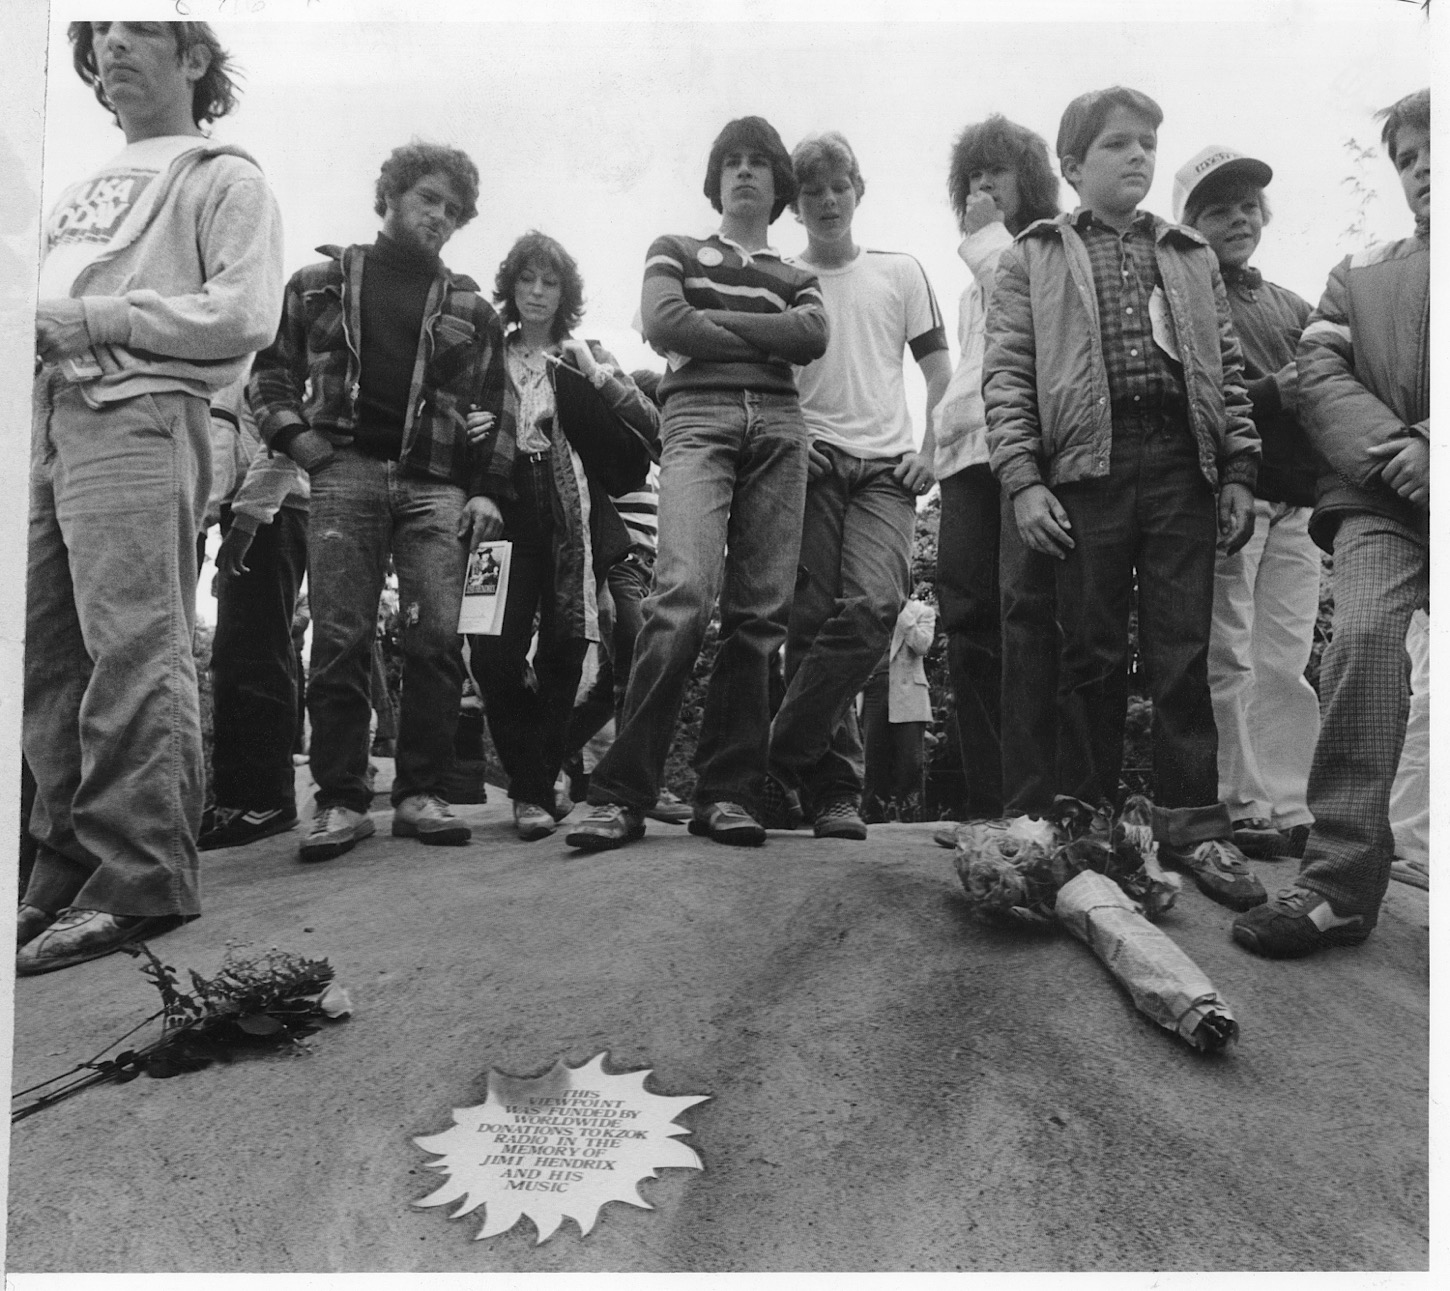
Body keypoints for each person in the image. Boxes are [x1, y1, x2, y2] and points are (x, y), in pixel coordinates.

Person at [18, 20, 283, 976]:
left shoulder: (224, 176)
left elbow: (245, 315)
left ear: (194, 58)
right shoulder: (77, 191)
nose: (113, 47)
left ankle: (141, 875)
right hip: (46, 417)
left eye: (139, 31)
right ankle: (60, 869)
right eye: (100, 37)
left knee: (135, 638)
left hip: (134, 408)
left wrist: (90, 317)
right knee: (45, 655)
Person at [984, 86, 1265, 913]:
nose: (1138, 156)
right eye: (1117, 144)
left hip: (1180, 466)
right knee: (1091, 654)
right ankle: (1086, 822)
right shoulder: (1031, 257)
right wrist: (1026, 481)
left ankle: (1191, 825)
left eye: (1147, 142)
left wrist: (1239, 469)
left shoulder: (1188, 254)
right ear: (1072, 166)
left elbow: (1228, 372)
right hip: (1086, 474)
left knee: (1182, 655)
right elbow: (1007, 378)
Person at [566, 115, 828, 850]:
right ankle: (620, 791)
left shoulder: (799, 274)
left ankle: (729, 790)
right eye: (731, 161)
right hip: (698, 418)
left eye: (759, 163)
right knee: (681, 594)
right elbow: (661, 318)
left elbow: (813, 337)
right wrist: (752, 334)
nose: (745, 172)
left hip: (780, 425)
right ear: (714, 178)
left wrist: (706, 323)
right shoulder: (674, 248)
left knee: (760, 615)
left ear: (779, 185)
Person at [250, 141, 506, 863]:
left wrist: (485, 486)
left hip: (435, 483)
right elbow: (269, 375)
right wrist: (301, 443)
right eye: (429, 199)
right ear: (390, 195)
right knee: (338, 636)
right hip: (346, 473)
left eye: (454, 211)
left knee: (435, 635)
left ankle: (421, 792)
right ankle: (340, 799)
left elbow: (497, 406)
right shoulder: (315, 283)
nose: (441, 218)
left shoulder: (472, 308)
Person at [1232, 88, 1430, 957]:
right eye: (1408, 157)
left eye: (1437, 148)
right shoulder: (1363, 272)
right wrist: (1401, 454)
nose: (1423, 168)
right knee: (1361, 645)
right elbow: (1316, 374)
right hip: (1380, 499)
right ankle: (1342, 882)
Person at [754, 130, 949, 841]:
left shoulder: (899, 272)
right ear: (795, 205)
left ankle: (775, 755)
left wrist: (932, 448)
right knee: (807, 626)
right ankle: (834, 790)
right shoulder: (781, 275)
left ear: (858, 190)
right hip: (810, 463)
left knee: (872, 608)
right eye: (812, 192)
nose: (828, 201)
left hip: (887, 472)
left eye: (839, 186)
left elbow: (939, 375)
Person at [462, 231, 660, 841]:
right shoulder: (485, 349)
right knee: (487, 647)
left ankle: (529, 792)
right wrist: (466, 425)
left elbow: (649, 431)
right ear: (511, 286)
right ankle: (538, 771)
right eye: (527, 280)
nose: (538, 292)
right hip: (499, 502)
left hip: (569, 507)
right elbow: (444, 412)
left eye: (550, 282)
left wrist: (597, 375)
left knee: (567, 647)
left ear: (565, 292)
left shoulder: (586, 352)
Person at [1174, 146, 1320, 863]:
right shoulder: (1188, 296)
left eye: (1246, 205)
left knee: (1284, 659)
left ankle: (1292, 803)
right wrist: (1272, 392)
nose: (1237, 217)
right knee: (1229, 652)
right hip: (1232, 499)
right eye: (1216, 208)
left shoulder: (1292, 304)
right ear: (1190, 223)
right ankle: (1241, 801)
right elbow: (1191, 399)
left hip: (1296, 503)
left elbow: (1332, 380)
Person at [933, 115, 1062, 823]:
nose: (984, 184)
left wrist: (983, 238)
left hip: (1023, 453)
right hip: (962, 457)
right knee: (968, 616)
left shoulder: (1047, 246)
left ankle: (1030, 801)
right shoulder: (969, 277)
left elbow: (1034, 311)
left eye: (999, 172)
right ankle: (986, 801)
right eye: (973, 175)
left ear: (1031, 181)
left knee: (1025, 615)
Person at [197, 375, 309, 851]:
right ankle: (234, 797)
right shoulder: (221, 372)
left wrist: (243, 519)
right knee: (231, 654)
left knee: (259, 651)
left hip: (269, 512)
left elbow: (279, 450)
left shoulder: (266, 367)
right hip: (243, 514)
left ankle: (268, 798)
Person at [861, 595, 937, 821]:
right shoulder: (871, 610)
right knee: (873, 759)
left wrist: (903, 613)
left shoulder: (922, 611)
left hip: (909, 693)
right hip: (875, 689)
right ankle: (874, 818)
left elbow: (922, 646)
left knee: (910, 762)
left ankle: (911, 818)